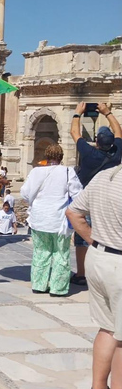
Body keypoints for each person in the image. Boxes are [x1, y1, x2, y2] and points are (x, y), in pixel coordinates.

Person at [66, 164, 122, 389]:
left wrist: (95, 241)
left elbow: (74, 212)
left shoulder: (103, 176)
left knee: (108, 327)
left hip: (99, 258)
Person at [70, 102, 121, 287]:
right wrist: (107, 113)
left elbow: (75, 134)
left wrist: (77, 114)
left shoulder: (89, 153)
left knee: (82, 238)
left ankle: (82, 273)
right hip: (111, 198)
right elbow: (119, 133)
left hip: (89, 199)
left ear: (97, 142)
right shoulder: (117, 153)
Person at [21, 144, 82, 297]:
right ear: (61, 157)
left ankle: (39, 284)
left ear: (46, 157)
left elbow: (25, 194)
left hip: (39, 219)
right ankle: (58, 288)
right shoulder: (68, 172)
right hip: (59, 220)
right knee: (61, 253)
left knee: (41, 252)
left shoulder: (36, 172)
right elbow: (77, 194)